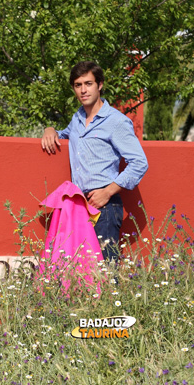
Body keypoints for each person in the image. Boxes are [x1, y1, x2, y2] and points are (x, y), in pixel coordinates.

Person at [41, 61, 148, 263]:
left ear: (99, 85)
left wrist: (107, 192)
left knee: (105, 273)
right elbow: (64, 134)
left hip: (105, 206)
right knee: (82, 272)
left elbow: (139, 163)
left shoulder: (116, 121)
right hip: (79, 206)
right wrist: (49, 130)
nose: (83, 90)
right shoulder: (78, 118)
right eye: (78, 85)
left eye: (88, 83)